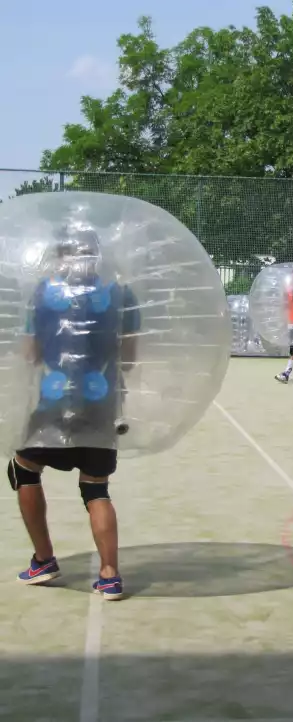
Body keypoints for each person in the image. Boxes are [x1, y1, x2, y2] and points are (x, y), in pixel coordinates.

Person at [8, 226, 140, 600]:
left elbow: (30, 355)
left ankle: (44, 559)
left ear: (59, 256)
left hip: (54, 401)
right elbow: (129, 361)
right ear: (97, 255)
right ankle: (110, 574)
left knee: (23, 469)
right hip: (101, 404)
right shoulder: (122, 294)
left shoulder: (43, 293)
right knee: (95, 487)